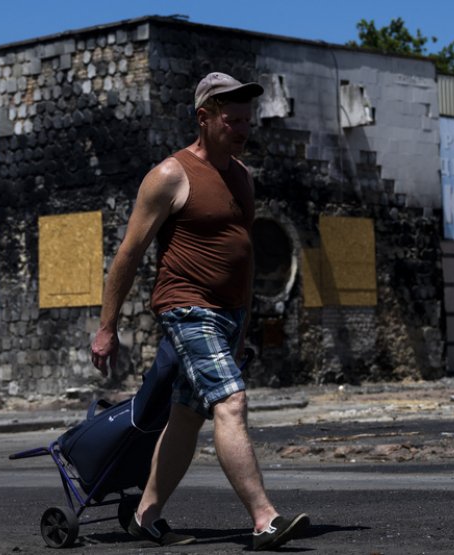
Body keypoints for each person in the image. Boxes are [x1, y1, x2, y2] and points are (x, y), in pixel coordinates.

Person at [90, 72, 310, 551]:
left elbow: (242, 254)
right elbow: (128, 253)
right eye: (232, 121)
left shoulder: (242, 177)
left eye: (247, 121)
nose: (242, 130)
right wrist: (107, 327)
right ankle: (264, 518)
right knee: (231, 402)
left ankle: (145, 516)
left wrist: (245, 318)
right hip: (187, 306)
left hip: (228, 314)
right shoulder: (171, 175)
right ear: (204, 118)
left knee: (187, 417)